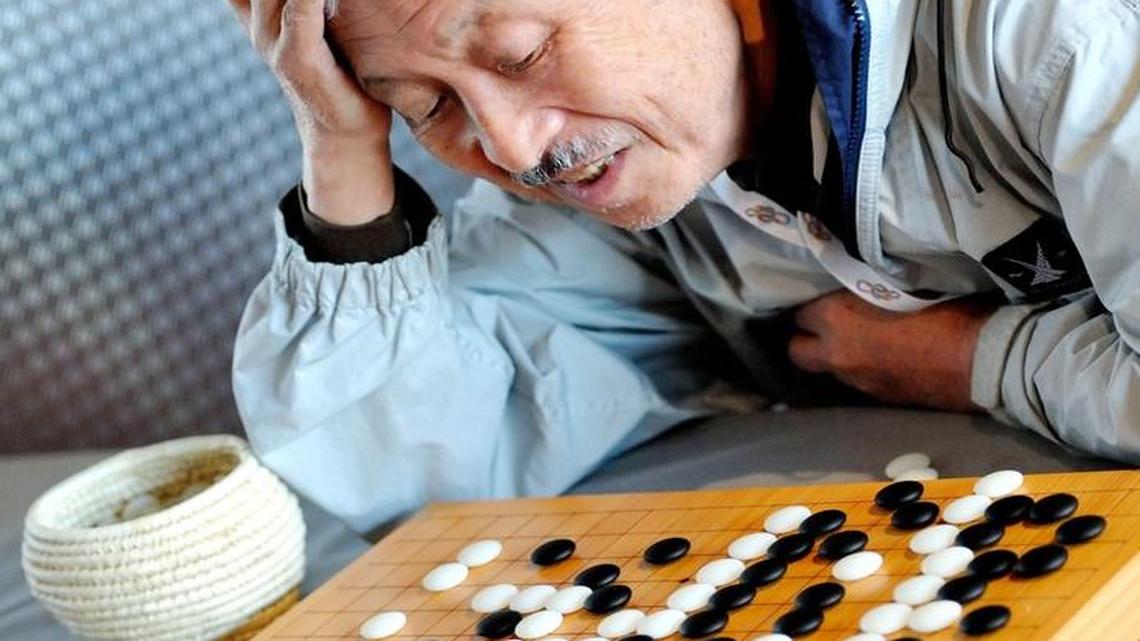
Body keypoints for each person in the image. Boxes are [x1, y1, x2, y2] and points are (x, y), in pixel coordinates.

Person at [226, 0, 1140, 534]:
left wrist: (975, 360)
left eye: (524, 53)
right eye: (427, 106)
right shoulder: (616, 179)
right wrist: (338, 141)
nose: (509, 146)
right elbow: (422, 485)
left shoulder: (1052, 33)